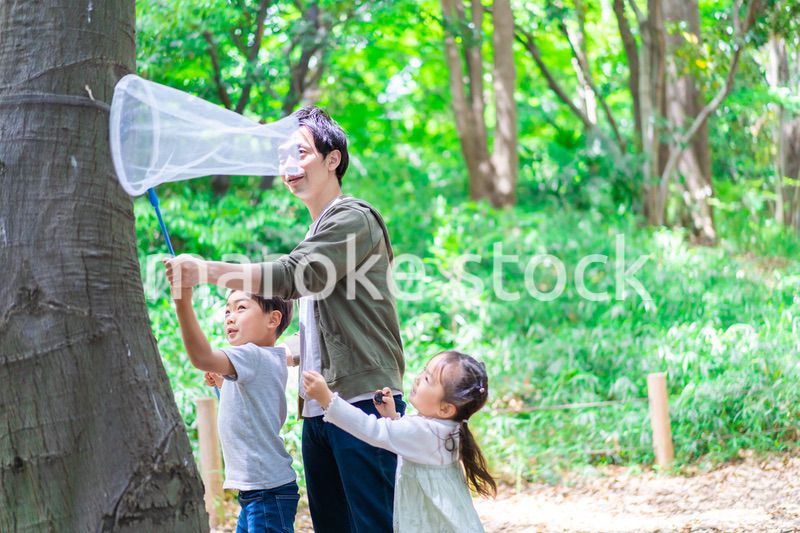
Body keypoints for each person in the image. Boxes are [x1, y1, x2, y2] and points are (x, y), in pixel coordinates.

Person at [164, 106, 405, 532]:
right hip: (319, 411)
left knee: (375, 525)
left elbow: (296, 275)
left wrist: (207, 271)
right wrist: (283, 355)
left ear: (333, 160)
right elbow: (322, 330)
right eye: (282, 158)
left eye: (300, 153)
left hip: (364, 400)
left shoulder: (353, 218)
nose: (288, 167)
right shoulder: (315, 234)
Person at [302, 350, 496, 533]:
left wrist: (327, 399)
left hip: (428, 522)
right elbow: (414, 442)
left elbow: (372, 430)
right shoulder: (449, 429)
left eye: (428, 379)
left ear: (445, 409)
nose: (419, 378)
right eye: (423, 371)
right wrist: (393, 418)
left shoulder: (425, 432)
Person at [166, 280, 298, 533]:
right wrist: (225, 385)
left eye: (241, 308)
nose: (230, 317)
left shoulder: (251, 355)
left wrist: (183, 303)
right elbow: (251, 409)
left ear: (273, 320)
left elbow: (202, 358)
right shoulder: (270, 357)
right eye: (227, 310)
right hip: (262, 489)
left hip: (265, 491)